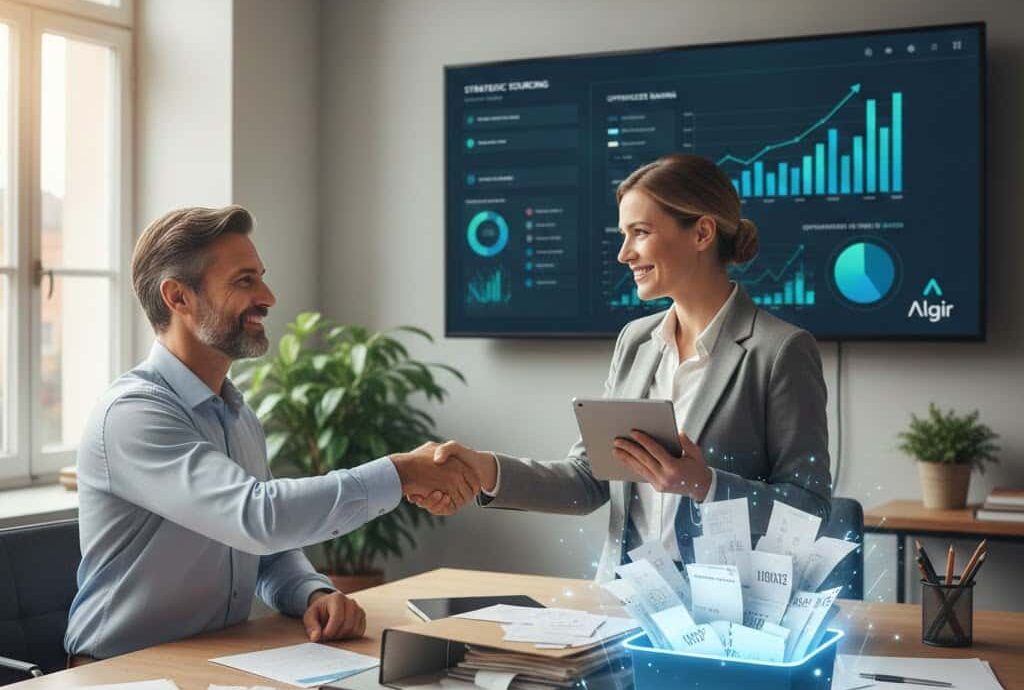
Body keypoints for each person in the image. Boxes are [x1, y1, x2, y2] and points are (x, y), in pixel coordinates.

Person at [65, 206, 480, 662]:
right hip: (118, 673)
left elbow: (265, 553)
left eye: (261, 278)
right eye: (245, 281)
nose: (268, 296)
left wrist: (312, 593)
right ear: (178, 298)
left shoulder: (237, 414)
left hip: (211, 660)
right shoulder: (133, 416)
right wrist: (400, 474)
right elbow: (258, 519)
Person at [415, 154, 831, 582]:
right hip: (625, 605)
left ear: (702, 232)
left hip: (729, 615)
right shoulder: (635, 341)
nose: (623, 254)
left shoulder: (780, 351)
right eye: (624, 235)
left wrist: (704, 484)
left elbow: (811, 509)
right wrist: (484, 468)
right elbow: (590, 479)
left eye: (641, 233)